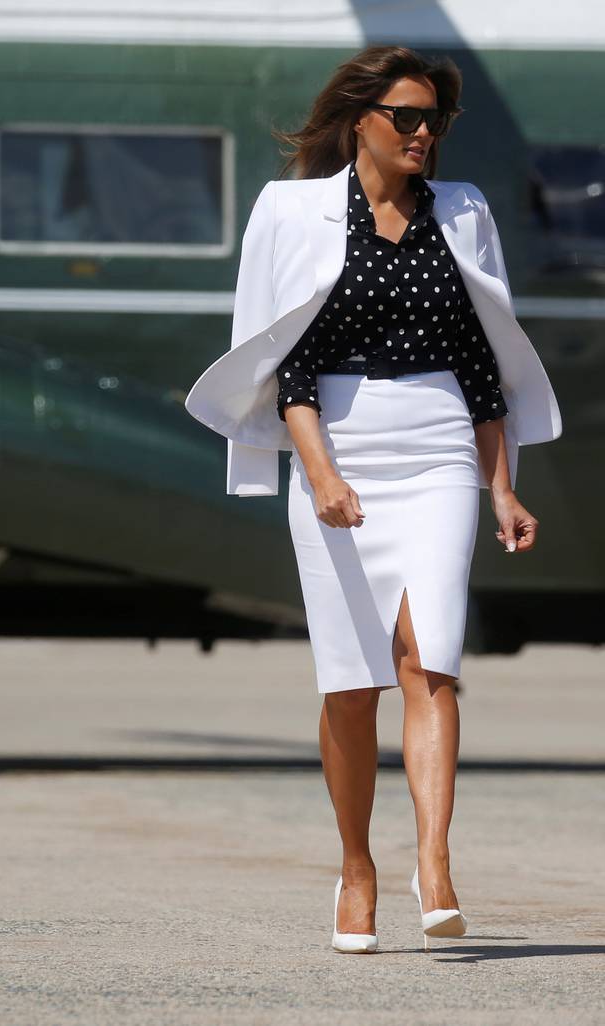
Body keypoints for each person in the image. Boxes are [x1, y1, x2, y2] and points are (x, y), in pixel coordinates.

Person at [184, 44, 562, 953]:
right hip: (337, 444)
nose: (425, 133)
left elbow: (484, 364)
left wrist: (500, 486)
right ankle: (357, 867)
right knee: (352, 684)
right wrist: (319, 475)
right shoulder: (294, 210)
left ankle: (434, 861)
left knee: (429, 657)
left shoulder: (462, 212)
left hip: (437, 447)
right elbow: (292, 365)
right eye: (407, 117)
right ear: (362, 119)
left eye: (435, 119)